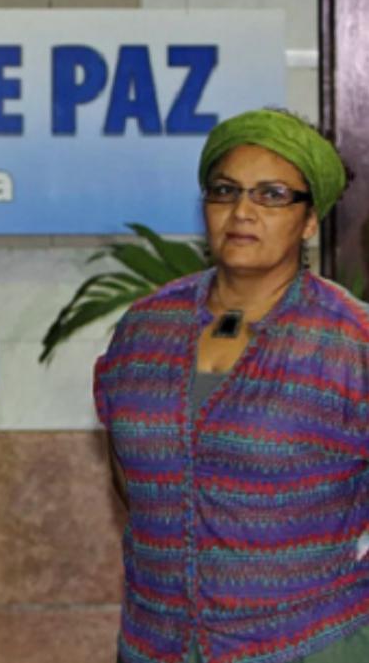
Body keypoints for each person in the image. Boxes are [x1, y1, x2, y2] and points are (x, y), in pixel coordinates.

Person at [95, 109, 369, 663]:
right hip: (156, 643)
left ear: (310, 218)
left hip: (307, 643)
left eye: (271, 195)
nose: (242, 212)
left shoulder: (352, 341)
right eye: (225, 191)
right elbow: (129, 475)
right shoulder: (145, 329)